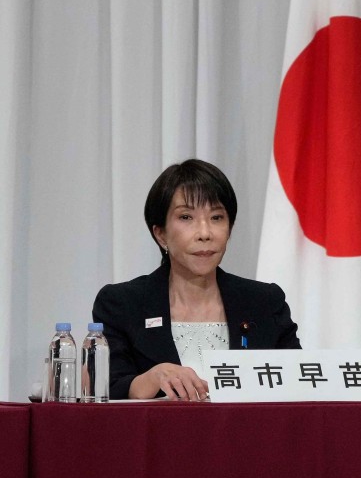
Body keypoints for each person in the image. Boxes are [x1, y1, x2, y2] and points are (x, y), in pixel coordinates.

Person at [93, 159, 300, 400]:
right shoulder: (123, 304)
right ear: (160, 234)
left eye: (216, 217)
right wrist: (151, 378)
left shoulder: (265, 302)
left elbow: (297, 382)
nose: (204, 233)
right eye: (186, 217)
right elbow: (106, 389)